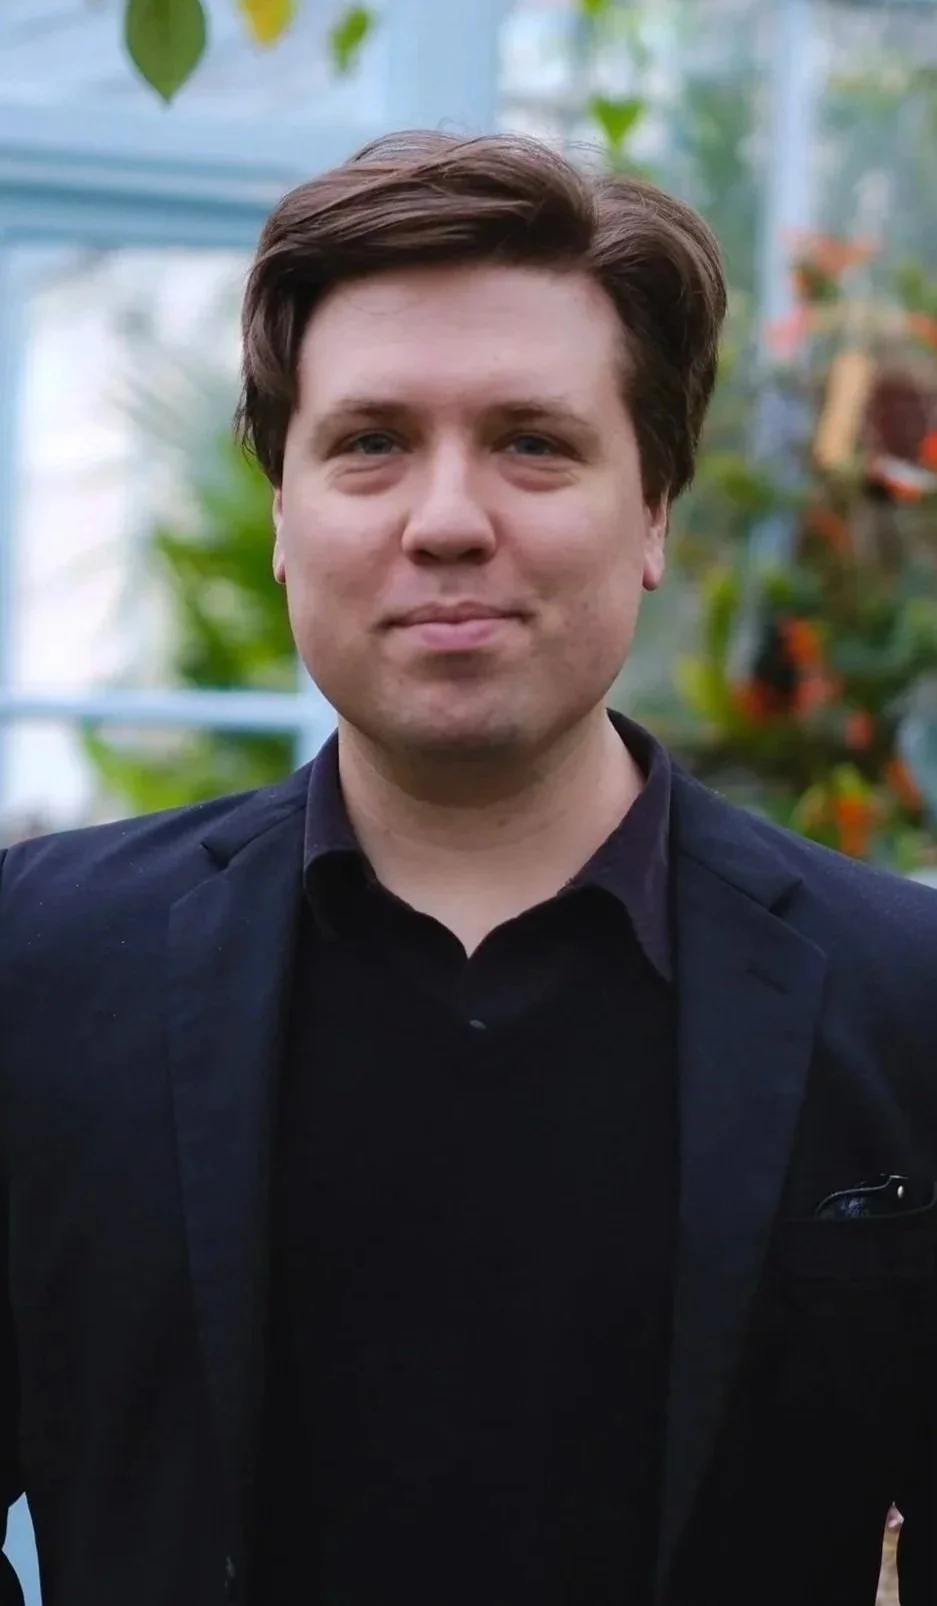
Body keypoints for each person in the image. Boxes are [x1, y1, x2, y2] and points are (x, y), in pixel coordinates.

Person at [1, 129, 935, 1606]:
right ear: (282, 514)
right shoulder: (39, 968)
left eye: (532, 441)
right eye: (370, 441)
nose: (446, 520)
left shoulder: (904, 998)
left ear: (654, 511)